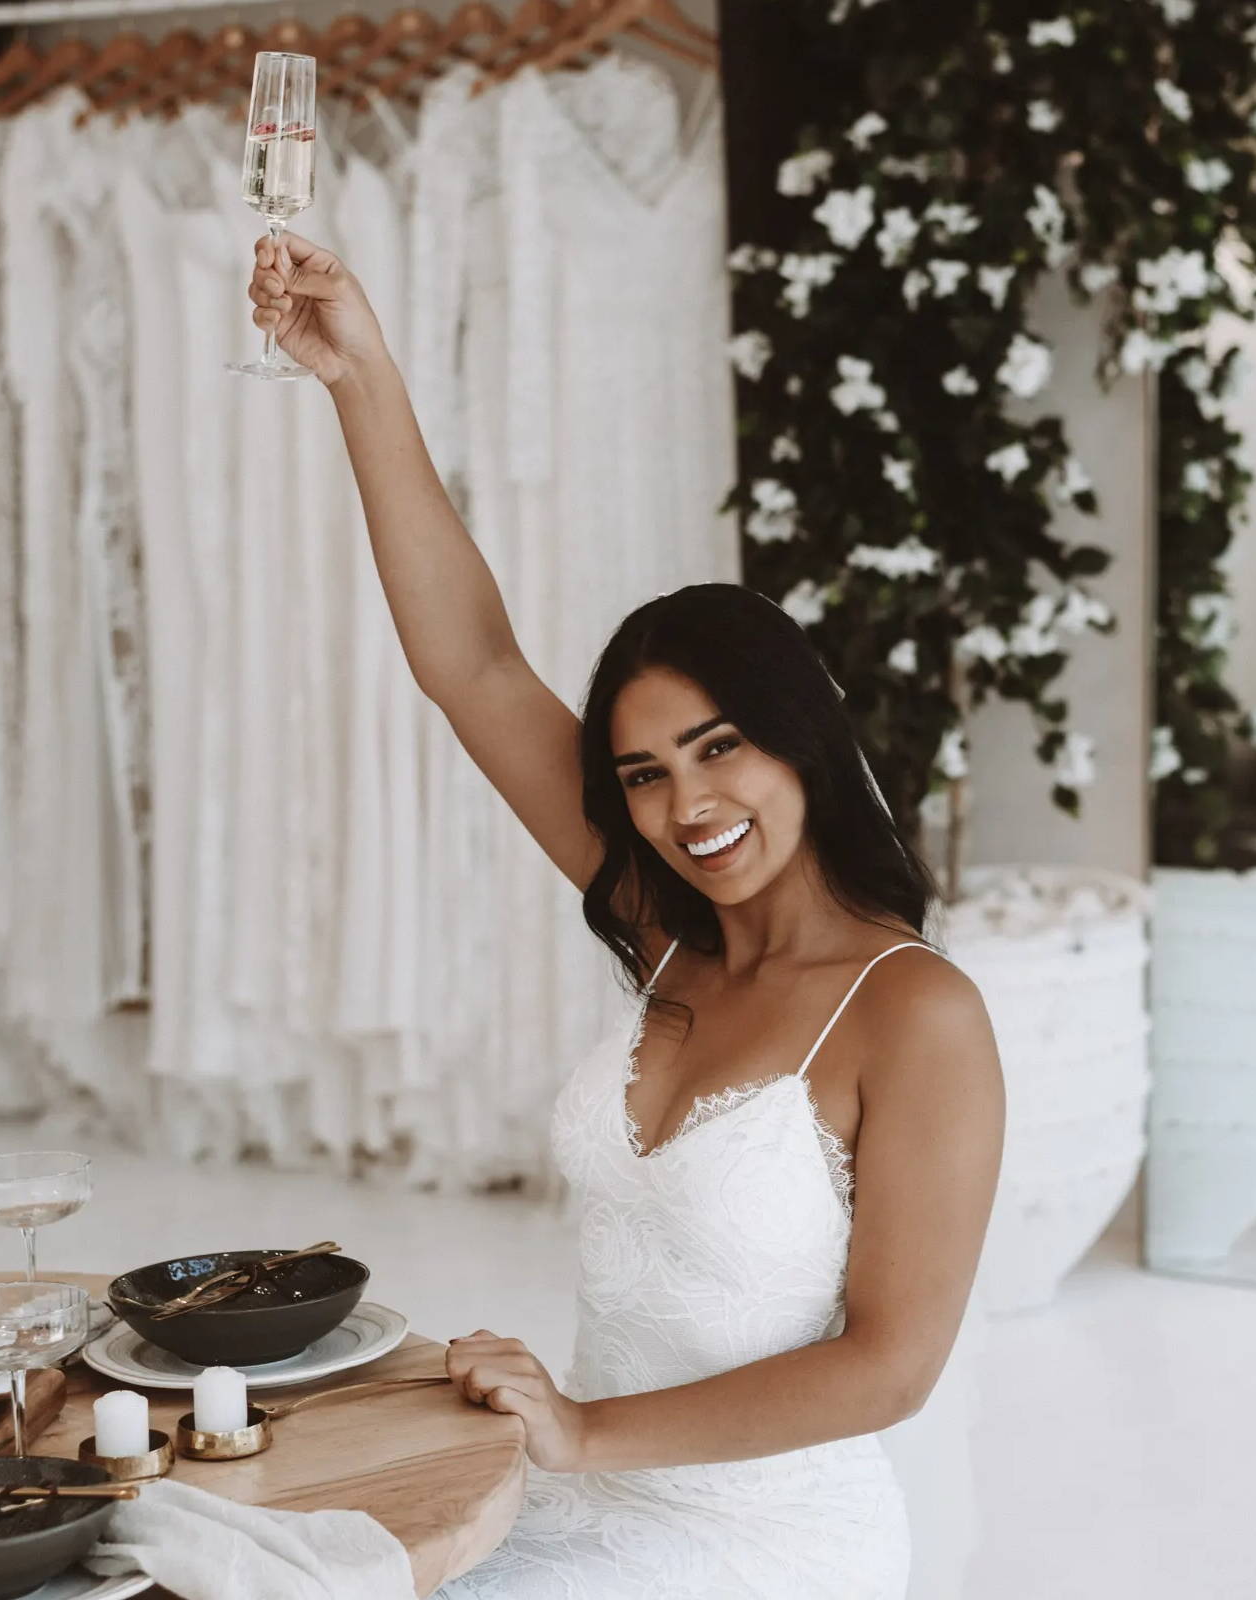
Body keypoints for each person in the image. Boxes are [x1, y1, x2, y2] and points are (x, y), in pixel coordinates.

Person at [245, 232, 1004, 1599]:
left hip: (764, 1547)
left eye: (718, 750)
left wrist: (588, 1430)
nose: (684, 804)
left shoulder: (913, 1012)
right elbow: (471, 665)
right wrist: (357, 376)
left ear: (799, 748)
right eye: (643, 775)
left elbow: (889, 1365)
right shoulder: (673, 935)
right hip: (570, 1499)